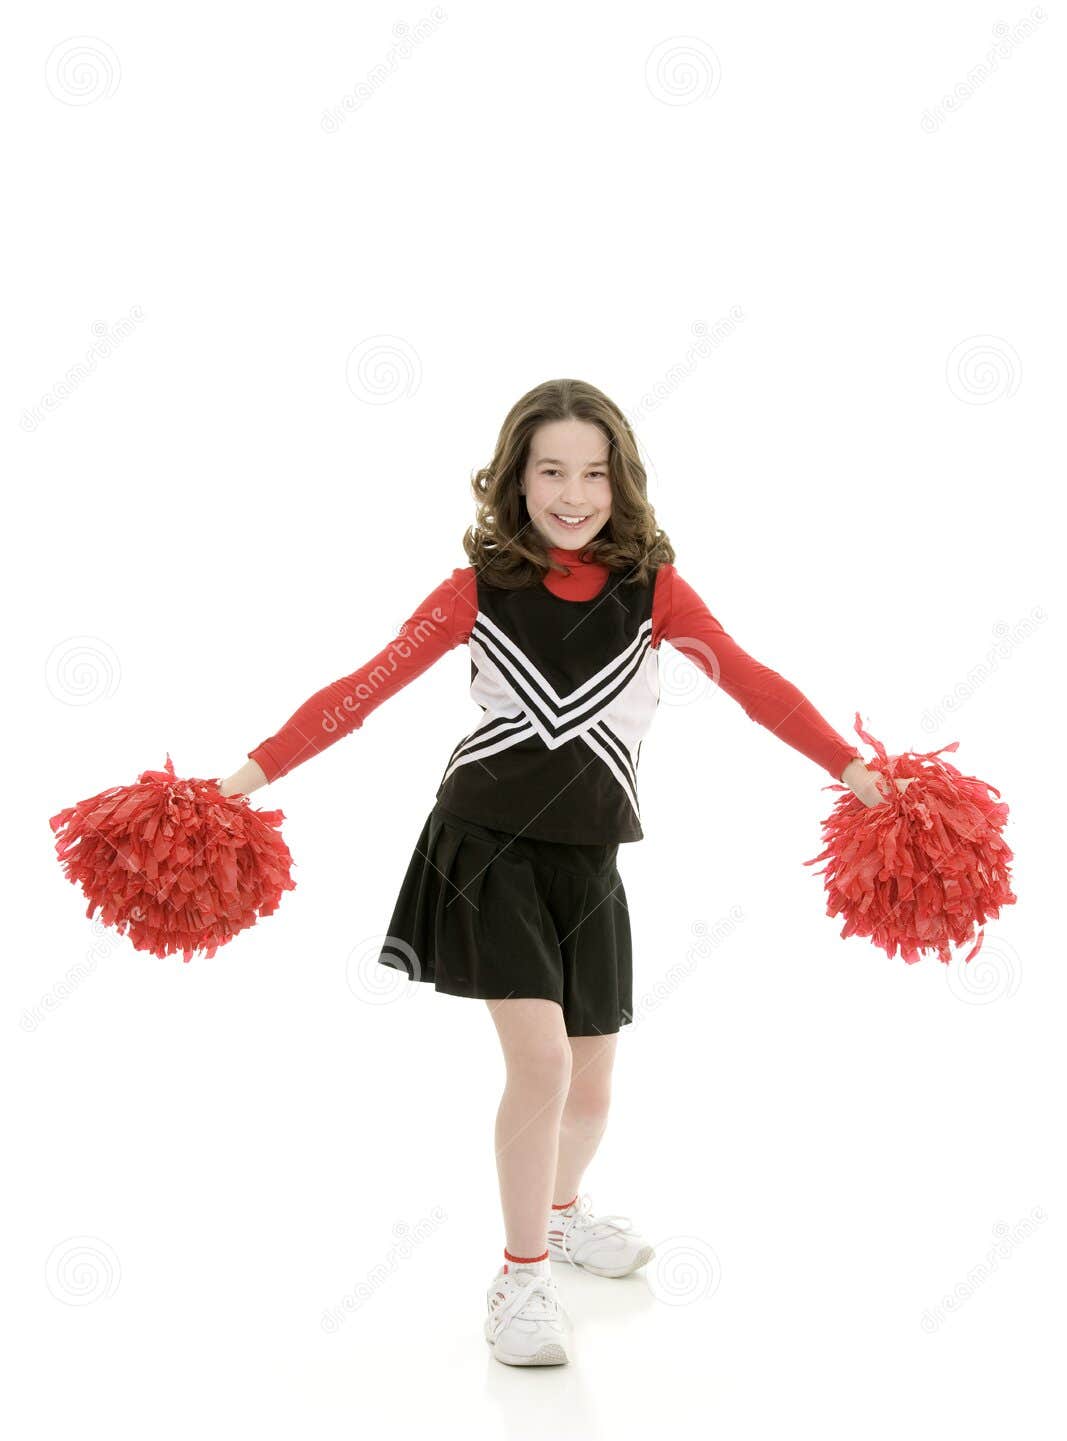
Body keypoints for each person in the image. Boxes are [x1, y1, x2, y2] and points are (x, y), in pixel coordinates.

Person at [218, 378, 903, 1369]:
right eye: (550, 472)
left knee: (589, 1092)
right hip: (482, 847)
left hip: (588, 859)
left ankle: (563, 1212)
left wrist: (851, 767)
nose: (572, 494)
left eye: (593, 473)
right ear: (515, 480)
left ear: (620, 483)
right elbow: (356, 693)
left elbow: (753, 685)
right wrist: (244, 779)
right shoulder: (477, 591)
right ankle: (521, 1276)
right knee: (537, 1066)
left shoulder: (653, 591)